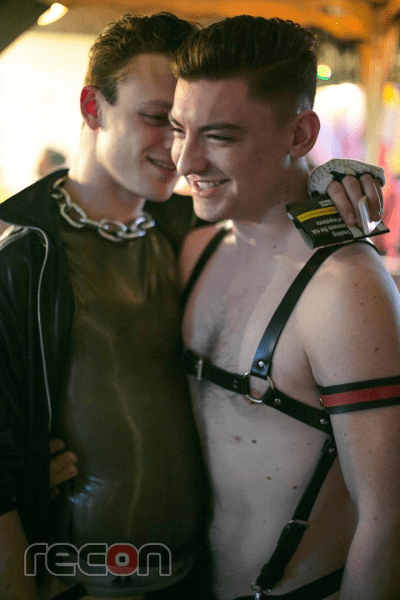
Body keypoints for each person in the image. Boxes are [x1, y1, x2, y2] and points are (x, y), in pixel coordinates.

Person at [0, 11, 384, 600]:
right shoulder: (23, 250)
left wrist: (324, 176)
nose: (181, 154)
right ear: (93, 108)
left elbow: (267, 200)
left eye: (200, 129)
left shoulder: (185, 228)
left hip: (200, 573)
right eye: (163, 120)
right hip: (74, 574)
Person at [170, 16, 400, 600]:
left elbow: (389, 517)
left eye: (220, 136)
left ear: (299, 135)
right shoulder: (196, 249)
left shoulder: (346, 287)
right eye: (178, 129)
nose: (186, 161)